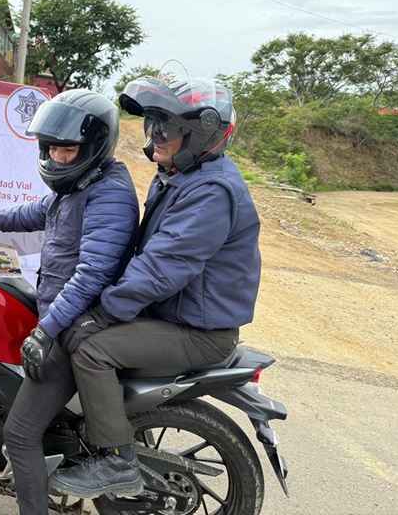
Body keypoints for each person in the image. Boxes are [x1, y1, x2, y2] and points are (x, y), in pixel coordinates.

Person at [47, 75, 262, 499]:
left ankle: (118, 460)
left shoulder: (211, 191)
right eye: (154, 124)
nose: (155, 135)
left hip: (198, 332)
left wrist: (103, 312)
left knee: (91, 349)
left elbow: (161, 268)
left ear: (202, 135)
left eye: (168, 127)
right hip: (177, 313)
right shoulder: (180, 176)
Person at [0, 89, 140, 514]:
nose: (58, 158)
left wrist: (46, 330)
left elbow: (92, 274)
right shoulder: (79, 185)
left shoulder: (109, 194)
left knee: (20, 434)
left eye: (68, 150)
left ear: (95, 146)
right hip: (64, 318)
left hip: (76, 326)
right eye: (51, 148)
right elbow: (36, 212)